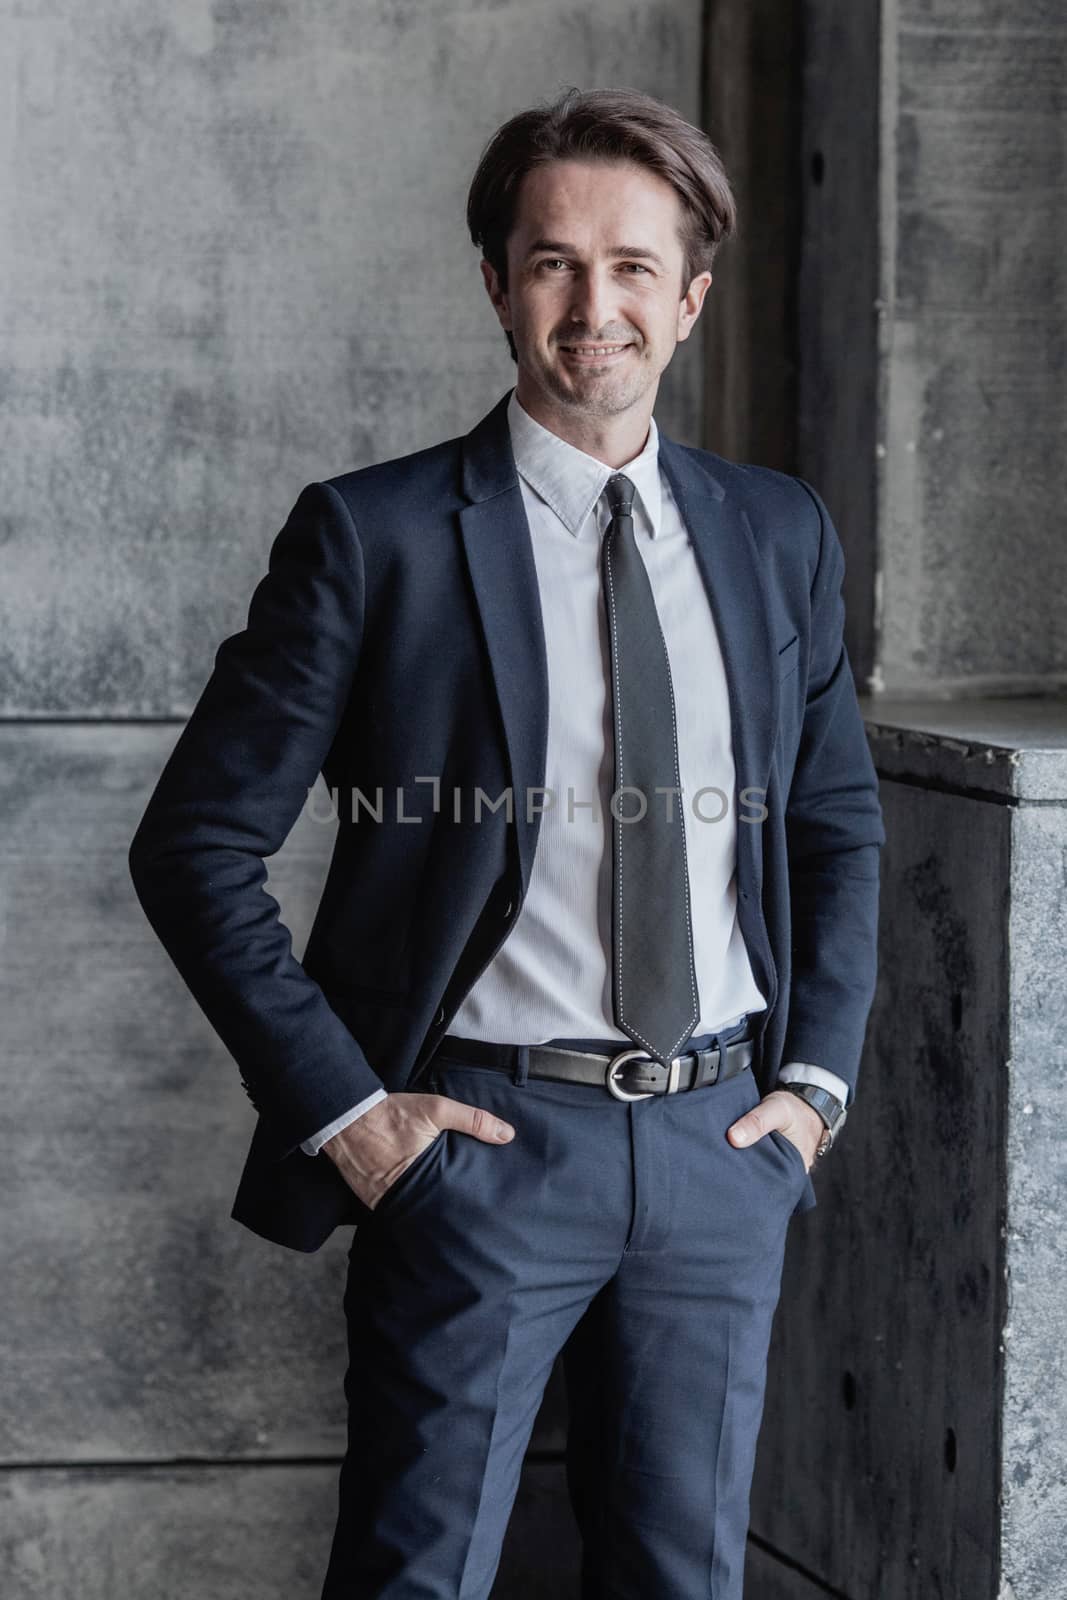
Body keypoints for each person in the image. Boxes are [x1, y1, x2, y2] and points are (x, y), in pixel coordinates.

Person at [129, 85, 885, 1600]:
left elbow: (835, 823)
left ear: (692, 300)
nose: (594, 305)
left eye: (631, 267)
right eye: (553, 263)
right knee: (420, 1580)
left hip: (721, 1148)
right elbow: (196, 846)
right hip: (478, 1154)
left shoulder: (778, 531)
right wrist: (352, 1120)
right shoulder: (376, 537)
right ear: (497, 283)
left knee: (682, 1581)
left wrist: (810, 1092)